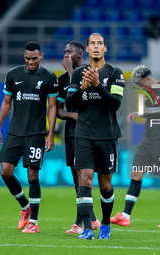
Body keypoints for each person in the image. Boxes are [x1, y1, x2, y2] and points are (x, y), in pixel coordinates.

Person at [110, 65, 160, 228]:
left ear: (148, 78)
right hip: (147, 140)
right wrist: (139, 114)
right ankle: (125, 216)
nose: (139, 87)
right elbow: (155, 111)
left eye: (140, 83)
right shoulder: (148, 94)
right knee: (136, 174)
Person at [66, 33, 125, 240]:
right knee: (85, 179)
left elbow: (115, 104)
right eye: (93, 43)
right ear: (88, 49)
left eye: (100, 43)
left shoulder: (116, 73)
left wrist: (98, 85)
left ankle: (106, 224)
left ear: (105, 49)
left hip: (107, 136)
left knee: (105, 185)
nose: (97, 47)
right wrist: (82, 89)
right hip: (83, 135)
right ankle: (89, 229)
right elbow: (70, 104)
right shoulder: (78, 74)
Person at [0, 41, 58, 233]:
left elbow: (52, 107)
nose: (31, 62)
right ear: (24, 56)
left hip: (35, 133)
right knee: (5, 171)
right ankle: (25, 206)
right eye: (27, 58)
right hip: (14, 131)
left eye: (34, 58)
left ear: (41, 56)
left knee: (32, 174)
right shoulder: (13, 74)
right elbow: (6, 102)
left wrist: (51, 134)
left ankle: (34, 223)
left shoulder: (49, 77)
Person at [56, 41, 100, 234]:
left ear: (80, 55)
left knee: (84, 177)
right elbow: (59, 111)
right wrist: (73, 116)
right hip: (71, 132)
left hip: (87, 133)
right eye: (64, 51)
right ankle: (91, 218)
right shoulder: (62, 80)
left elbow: (85, 97)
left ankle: (80, 223)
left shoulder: (88, 73)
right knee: (76, 178)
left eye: (69, 52)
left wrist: (70, 72)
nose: (65, 55)